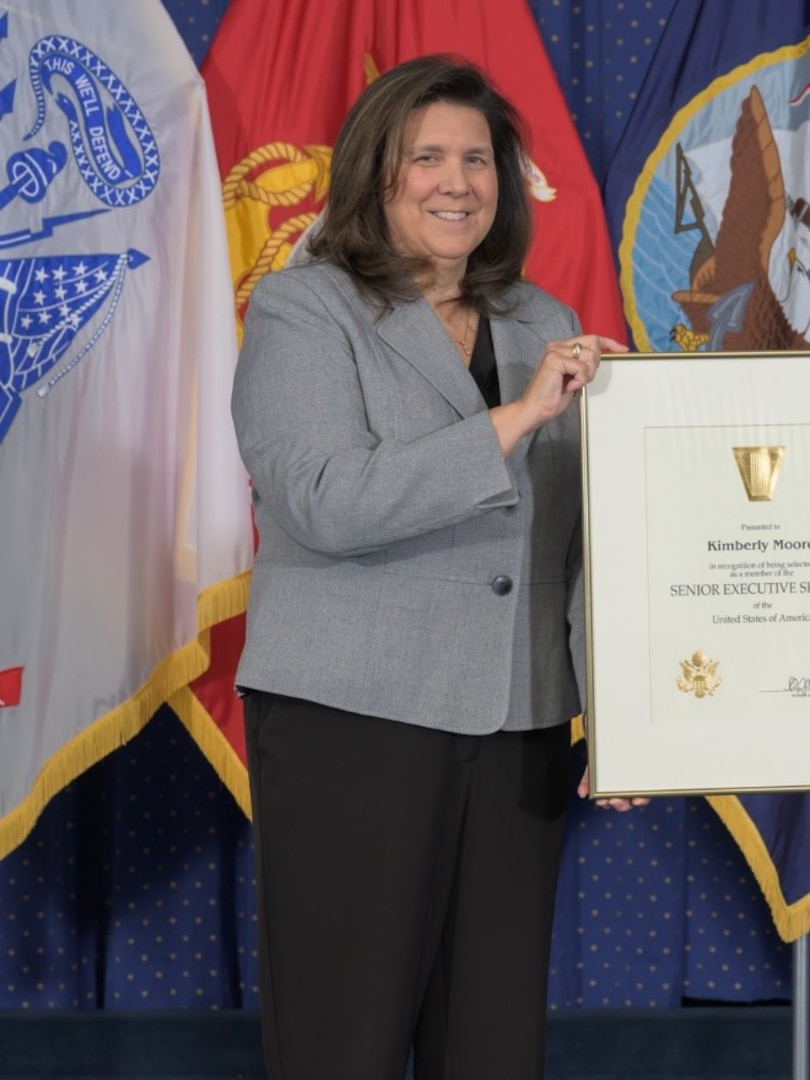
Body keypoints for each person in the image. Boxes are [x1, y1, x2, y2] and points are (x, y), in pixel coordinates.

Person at [231, 56, 634, 1080]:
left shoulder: (542, 320)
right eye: (429, 158)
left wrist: (625, 713)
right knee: (342, 1043)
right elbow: (324, 501)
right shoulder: (303, 311)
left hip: (520, 725)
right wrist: (519, 418)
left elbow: (582, 542)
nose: (459, 181)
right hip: (352, 725)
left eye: (479, 158)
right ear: (375, 173)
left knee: (493, 1048)